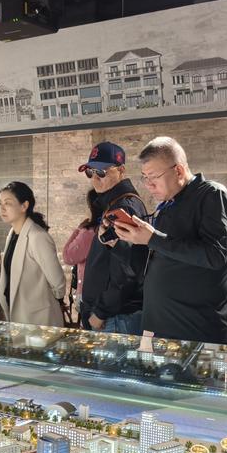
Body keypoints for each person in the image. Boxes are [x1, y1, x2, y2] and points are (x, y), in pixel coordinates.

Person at [113, 137, 227, 345]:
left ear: (178, 171)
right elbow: (154, 265)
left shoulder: (212, 195)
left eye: (153, 176)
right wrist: (122, 243)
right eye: (144, 177)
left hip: (195, 331)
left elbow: (215, 255)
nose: (148, 185)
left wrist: (153, 238)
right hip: (156, 329)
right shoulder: (168, 204)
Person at [77, 142, 148, 335]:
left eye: (101, 172)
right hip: (113, 316)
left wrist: (101, 312)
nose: (95, 179)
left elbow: (127, 270)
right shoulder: (114, 204)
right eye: (90, 172)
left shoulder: (124, 208)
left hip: (116, 318)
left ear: (121, 170)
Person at [0, 182, 66, 327]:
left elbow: (58, 283)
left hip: (39, 320)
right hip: (17, 320)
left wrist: (47, 302)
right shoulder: (12, 234)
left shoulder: (37, 236)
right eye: (0, 203)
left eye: (7, 203)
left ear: (24, 206)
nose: (1, 208)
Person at [61, 190, 99, 317]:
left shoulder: (89, 233)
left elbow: (68, 256)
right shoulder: (110, 228)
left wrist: (78, 230)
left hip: (88, 295)